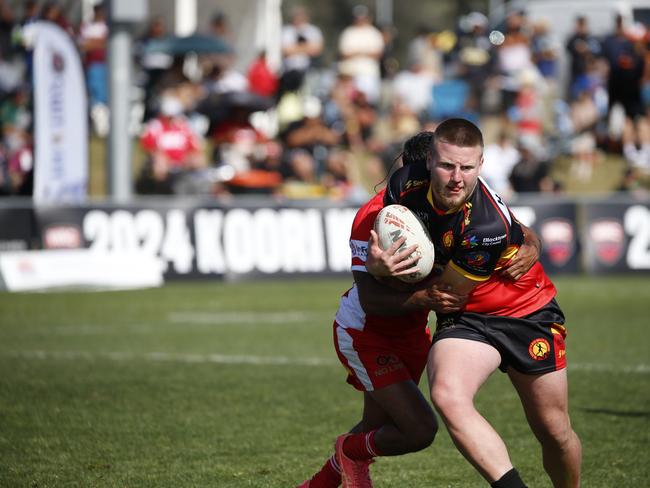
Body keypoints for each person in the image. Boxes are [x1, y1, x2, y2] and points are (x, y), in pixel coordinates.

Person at [297, 130, 541, 488]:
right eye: (437, 171)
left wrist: (533, 243)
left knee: (377, 428)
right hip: (367, 331)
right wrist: (428, 298)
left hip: (412, 332)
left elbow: (512, 228)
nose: (447, 182)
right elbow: (371, 299)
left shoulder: (455, 203)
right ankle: (348, 450)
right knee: (419, 430)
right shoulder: (377, 216)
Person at [381, 118, 581, 487]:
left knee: (553, 429)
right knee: (446, 393)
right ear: (428, 161)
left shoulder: (486, 227)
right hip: (468, 319)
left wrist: (386, 273)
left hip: (526, 312)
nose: (456, 177)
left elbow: (446, 291)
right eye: (446, 165)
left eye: (467, 168)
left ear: (481, 166)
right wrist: (381, 265)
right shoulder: (402, 184)